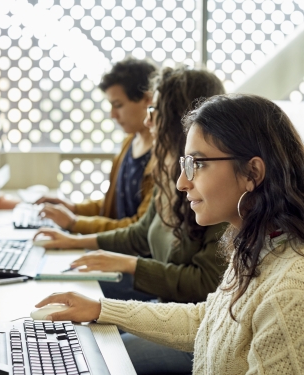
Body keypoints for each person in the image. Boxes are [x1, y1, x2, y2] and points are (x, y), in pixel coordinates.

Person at [35, 94, 304, 374]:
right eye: (184, 165)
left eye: (197, 164)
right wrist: (101, 309)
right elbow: (207, 320)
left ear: (253, 172)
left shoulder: (291, 290)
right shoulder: (257, 245)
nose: (181, 182)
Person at [34, 67, 227, 374]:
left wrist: (126, 265)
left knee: (96, 354)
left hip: (195, 328)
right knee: (84, 336)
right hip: (173, 310)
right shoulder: (171, 175)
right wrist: (76, 240)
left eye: (155, 109)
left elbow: (204, 288)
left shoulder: (217, 194)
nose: (149, 119)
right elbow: (139, 232)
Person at [36, 57, 157, 234]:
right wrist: (73, 208)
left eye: (118, 105)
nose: (113, 115)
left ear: (147, 99)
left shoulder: (162, 156)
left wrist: (75, 223)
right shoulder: (130, 142)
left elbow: (139, 228)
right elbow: (114, 204)